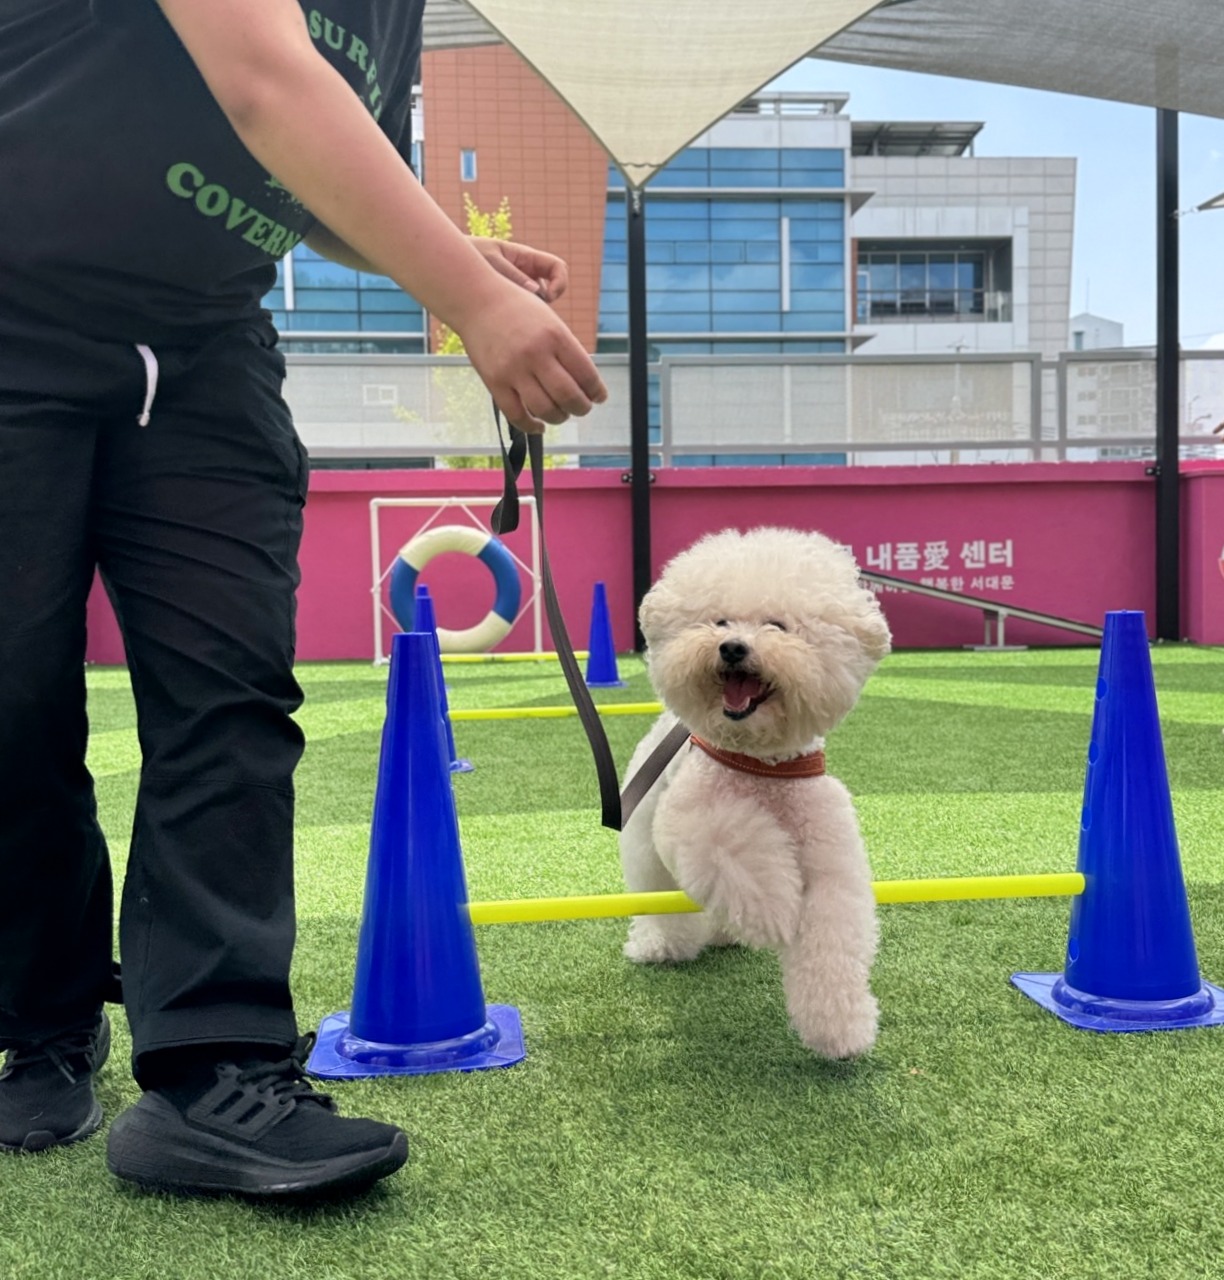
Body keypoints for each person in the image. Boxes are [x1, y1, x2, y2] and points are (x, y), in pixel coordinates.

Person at [0, 0, 607, 1198]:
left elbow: (322, 187)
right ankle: (41, 1020)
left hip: (208, 348)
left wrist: (447, 253)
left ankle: (217, 1066)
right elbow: (265, 82)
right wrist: (471, 303)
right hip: (15, 322)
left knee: (232, 700)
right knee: (12, 710)